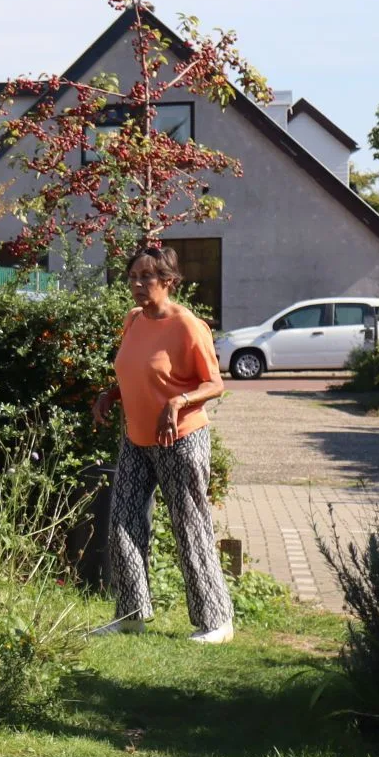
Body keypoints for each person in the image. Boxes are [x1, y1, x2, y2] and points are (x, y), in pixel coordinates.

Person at [91, 244, 233, 644]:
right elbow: (134, 371)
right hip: (136, 438)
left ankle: (217, 622)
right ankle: (132, 614)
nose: (137, 285)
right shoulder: (134, 319)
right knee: (122, 523)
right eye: (133, 277)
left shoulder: (187, 325)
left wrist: (178, 401)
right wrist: (109, 394)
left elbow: (214, 384)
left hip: (180, 439)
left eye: (146, 278)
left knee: (190, 527)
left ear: (168, 282)